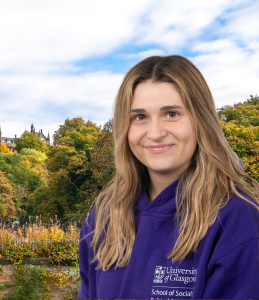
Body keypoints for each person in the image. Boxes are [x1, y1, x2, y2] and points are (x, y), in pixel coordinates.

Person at [78, 55, 259, 299]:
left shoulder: (236, 218)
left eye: (171, 114)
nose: (155, 133)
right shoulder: (104, 215)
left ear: (200, 121)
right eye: (140, 117)